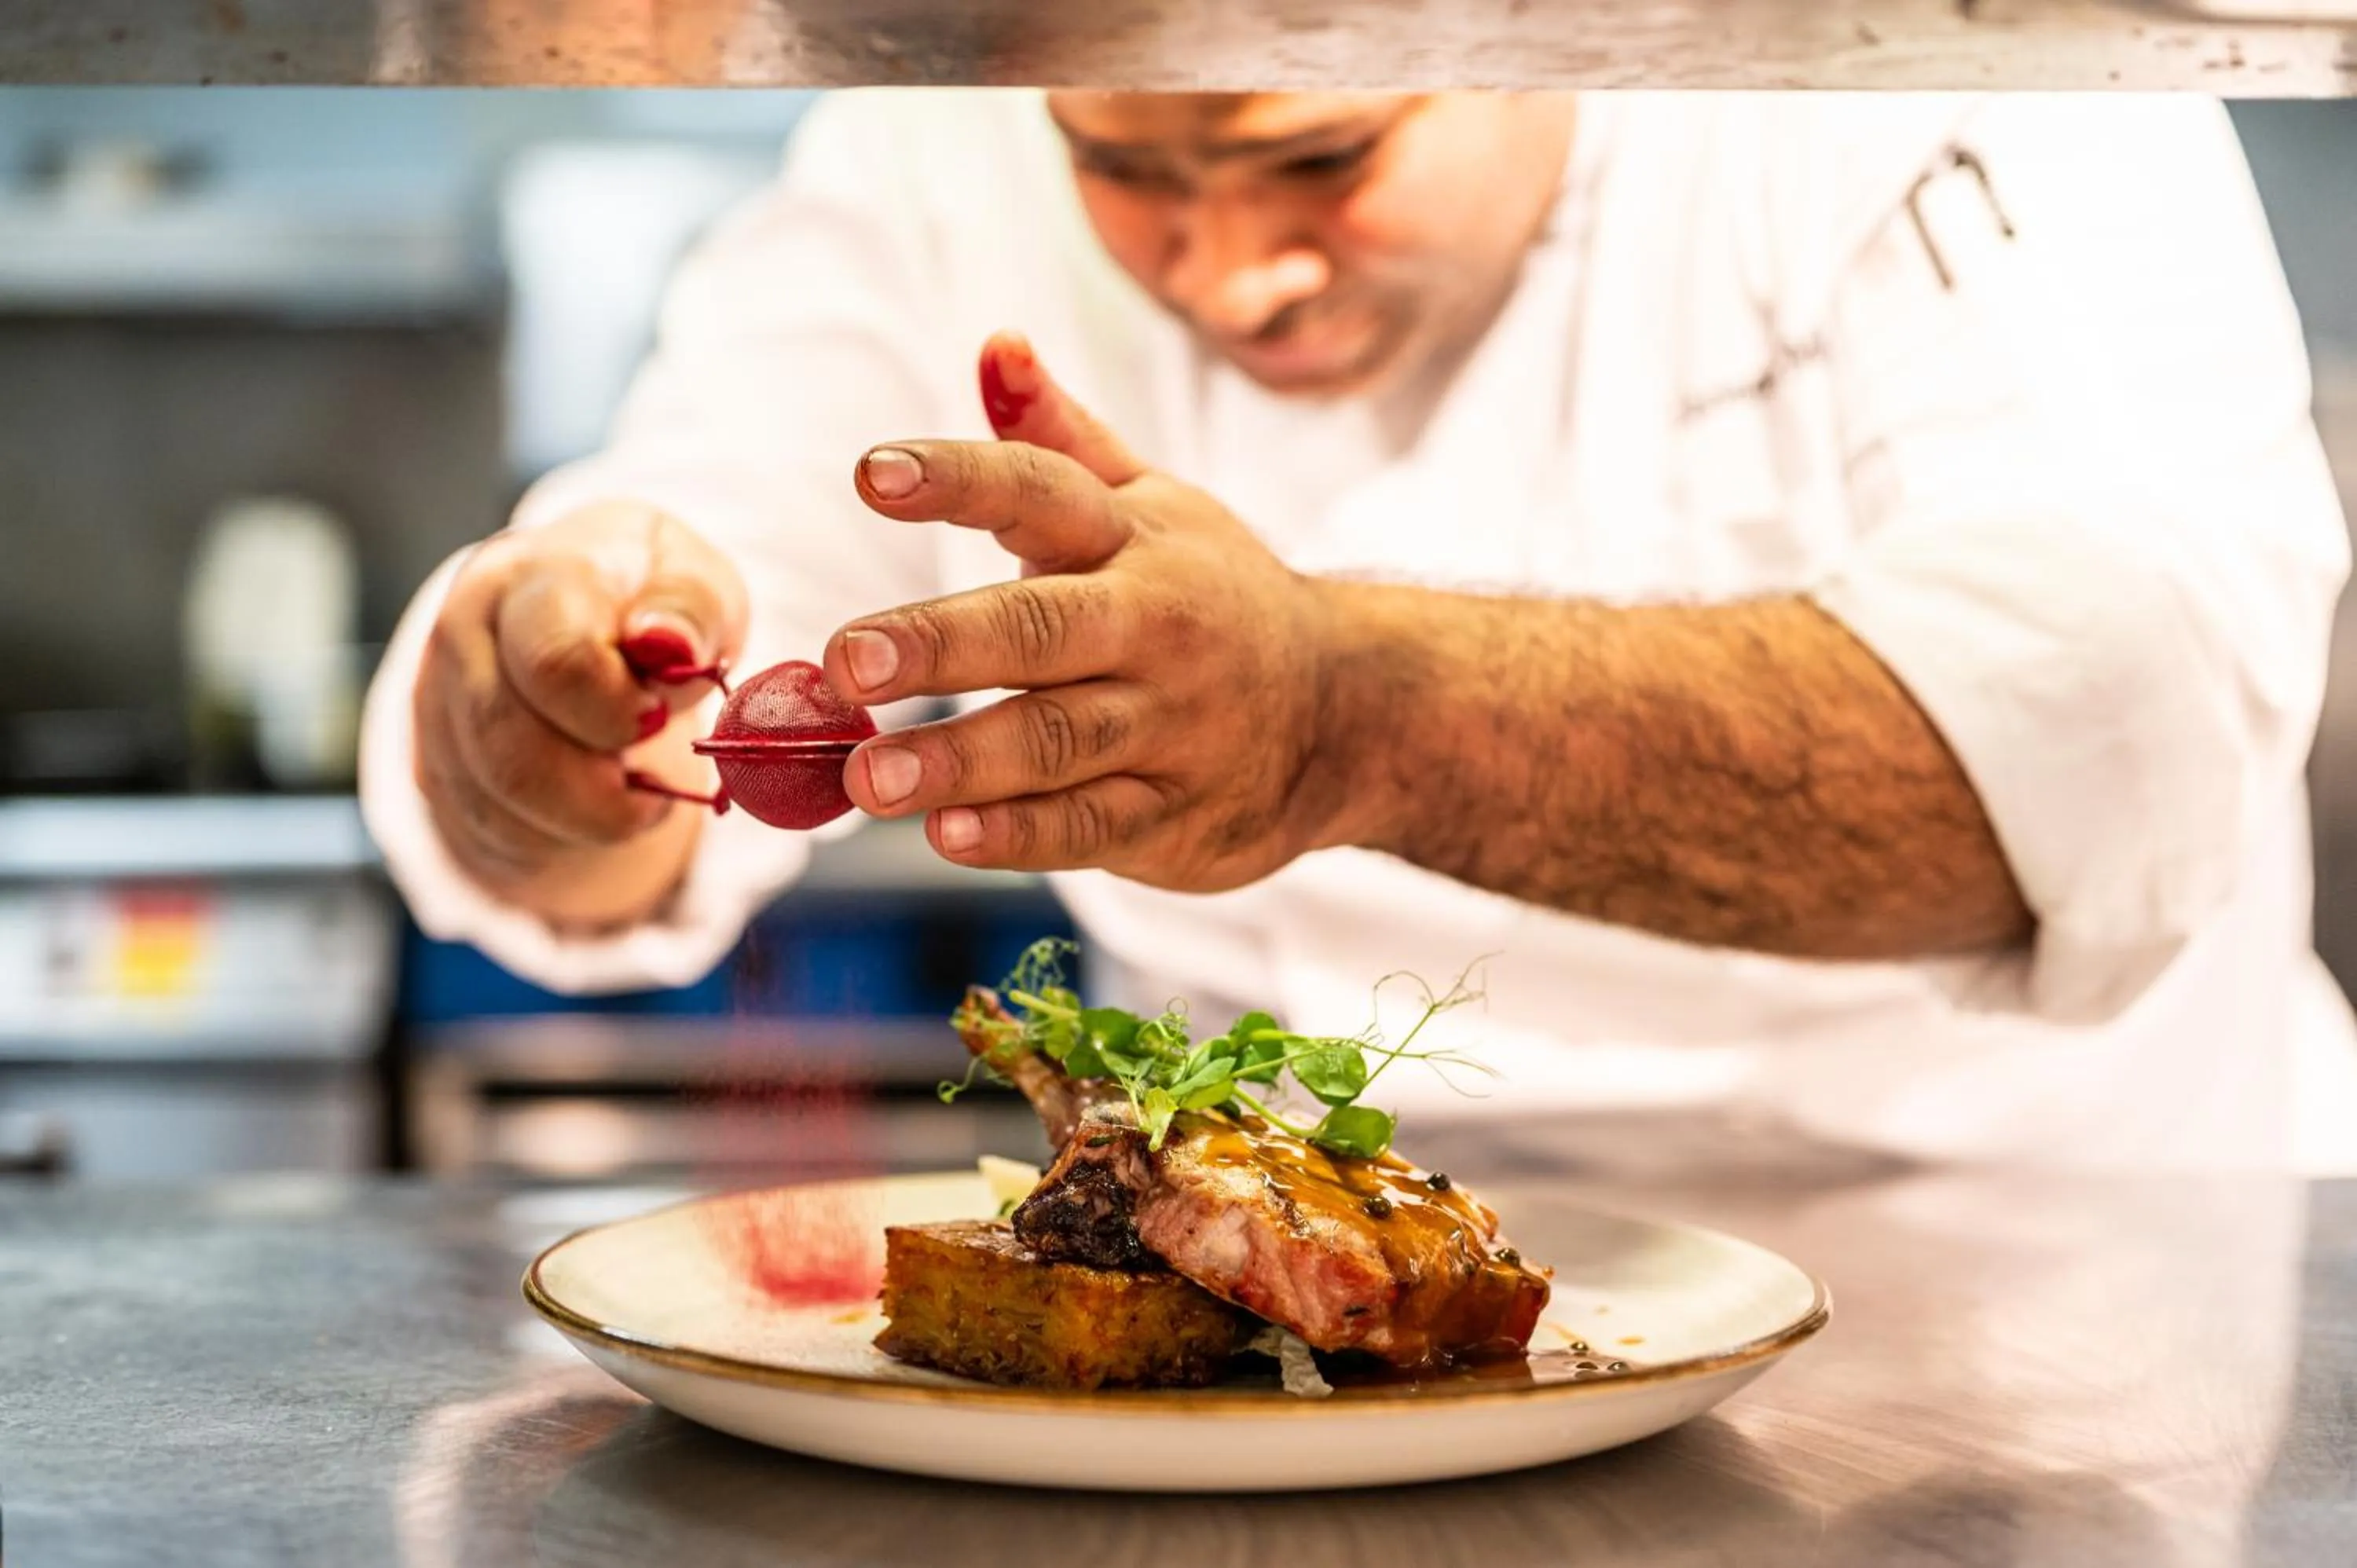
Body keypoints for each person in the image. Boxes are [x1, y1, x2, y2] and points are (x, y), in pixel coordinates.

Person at [360, 90, 2357, 1171]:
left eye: (1322, 156)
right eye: (1125, 171)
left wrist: (1350, 721)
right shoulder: (943, 137)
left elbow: (2114, 741)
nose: (1236, 273)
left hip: (2038, 1317)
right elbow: (710, 565)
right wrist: (548, 713)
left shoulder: (1912, 62)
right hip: (1280, 1334)